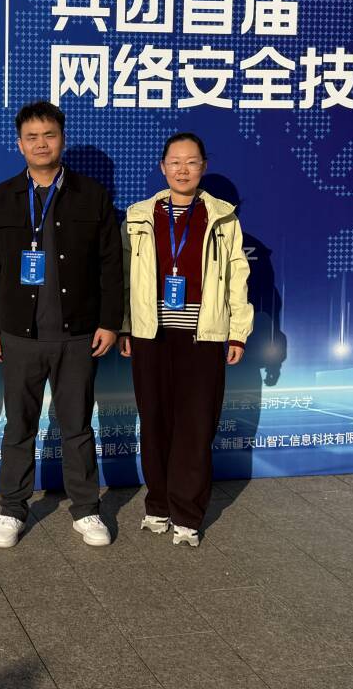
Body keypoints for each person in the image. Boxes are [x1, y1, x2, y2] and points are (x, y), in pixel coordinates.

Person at [0, 100, 123, 548]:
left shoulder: (92, 195)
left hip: (78, 335)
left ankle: (86, 510)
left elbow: (110, 266)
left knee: (77, 426)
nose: (41, 144)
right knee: (18, 426)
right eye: (32, 137)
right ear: (19, 144)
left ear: (62, 138)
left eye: (50, 135)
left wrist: (110, 322)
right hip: (19, 335)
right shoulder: (0, 198)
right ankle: (11, 510)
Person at [118, 132, 253, 547]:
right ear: (162, 167)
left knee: (195, 426)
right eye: (175, 162)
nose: (183, 169)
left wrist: (237, 332)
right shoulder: (139, 216)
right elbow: (124, 277)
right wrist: (124, 325)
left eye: (191, 162)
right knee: (154, 421)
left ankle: (188, 515)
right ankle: (158, 505)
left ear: (203, 167)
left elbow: (237, 277)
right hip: (150, 334)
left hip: (202, 336)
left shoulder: (223, 218)